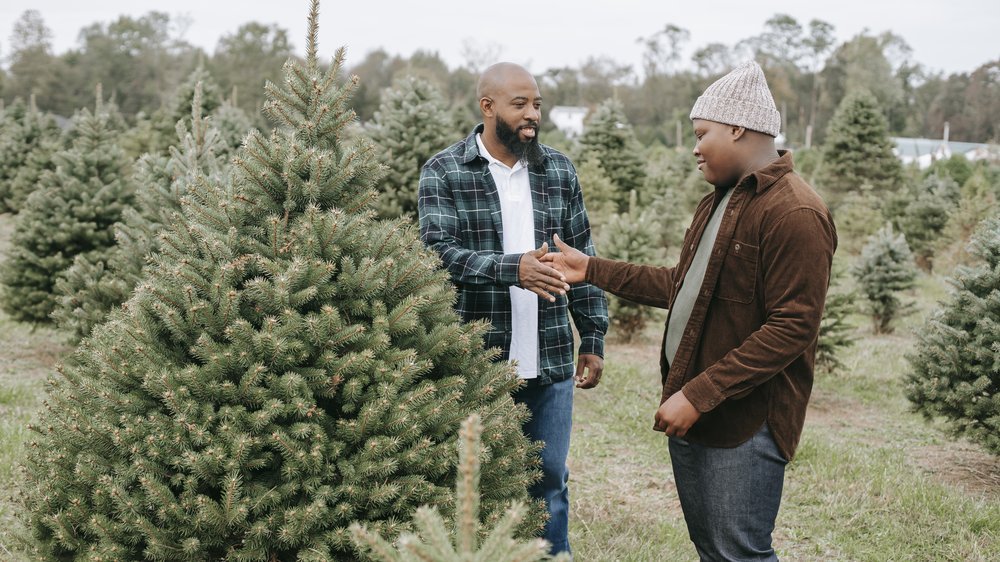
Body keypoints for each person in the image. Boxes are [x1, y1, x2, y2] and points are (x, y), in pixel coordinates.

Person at [541, 60, 837, 561]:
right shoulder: (720, 200)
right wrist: (590, 269)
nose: (695, 148)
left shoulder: (794, 212)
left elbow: (793, 328)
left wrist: (698, 395)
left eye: (702, 134)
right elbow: (684, 287)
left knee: (739, 552)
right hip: (697, 412)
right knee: (713, 551)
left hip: (743, 424)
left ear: (739, 128)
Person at [417, 62, 609, 555]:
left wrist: (593, 336)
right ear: (488, 107)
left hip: (549, 356)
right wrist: (512, 269)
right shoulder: (445, 171)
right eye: (519, 104)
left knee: (549, 477)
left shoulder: (558, 170)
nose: (532, 115)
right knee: (470, 483)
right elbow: (436, 253)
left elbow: (581, 258)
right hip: (476, 360)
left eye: (537, 104)